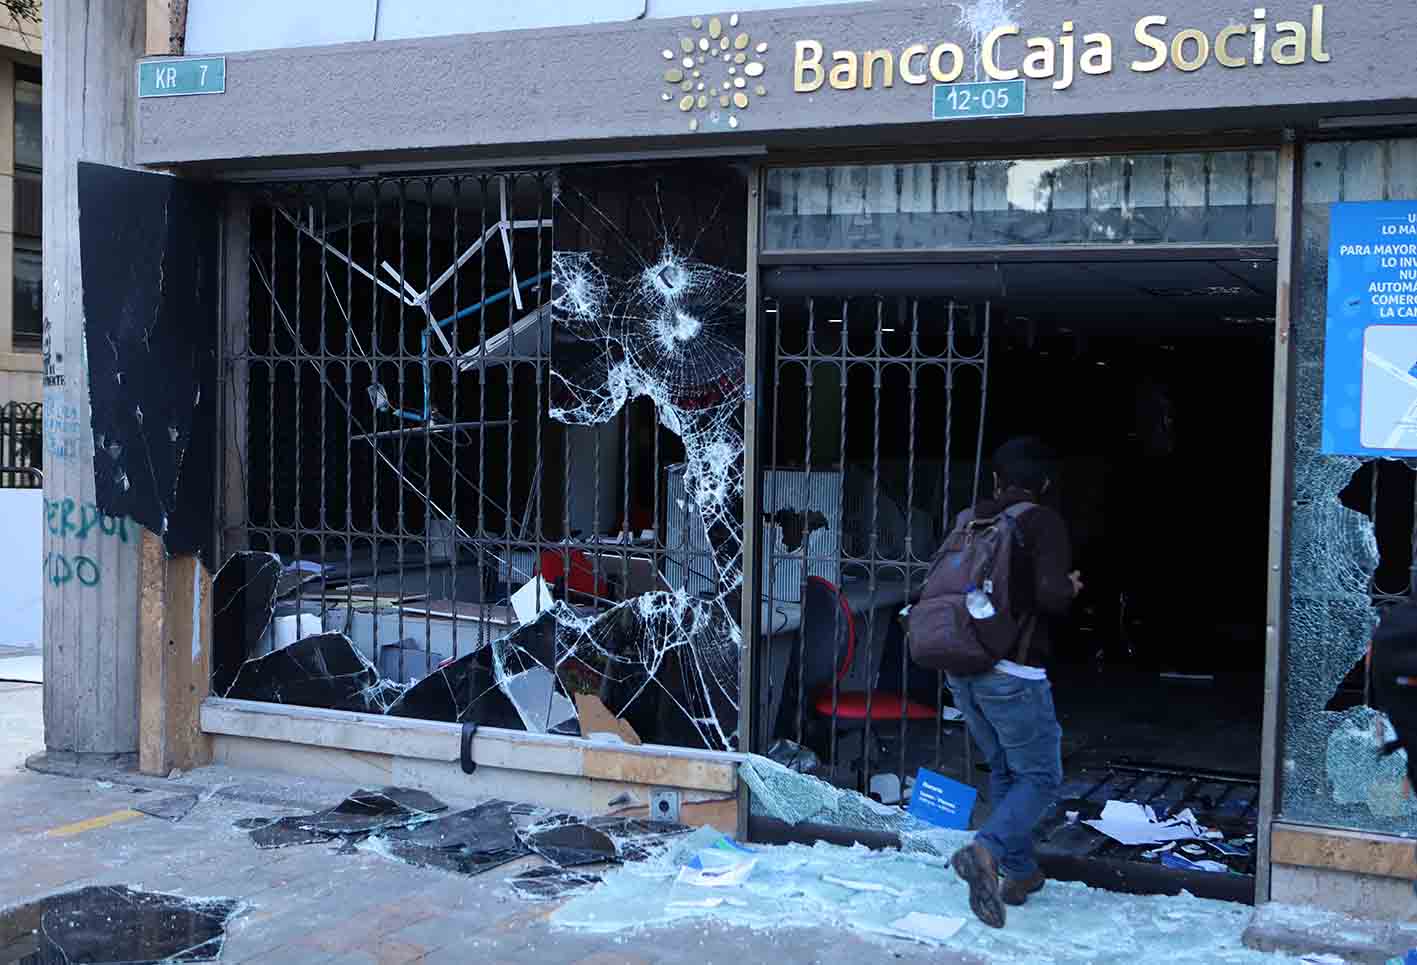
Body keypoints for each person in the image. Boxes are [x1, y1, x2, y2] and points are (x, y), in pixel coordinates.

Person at [949, 436, 1082, 929]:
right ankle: (984, 851)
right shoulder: (1041, 521)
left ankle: (1021, 873)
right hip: (1013, 671)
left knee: (1006, 769)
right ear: (1044, 484)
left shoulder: (972, 519)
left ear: (995, 480)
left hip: (962, 667)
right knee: (1042, 776)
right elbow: (1049, 596)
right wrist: (1068, 587)